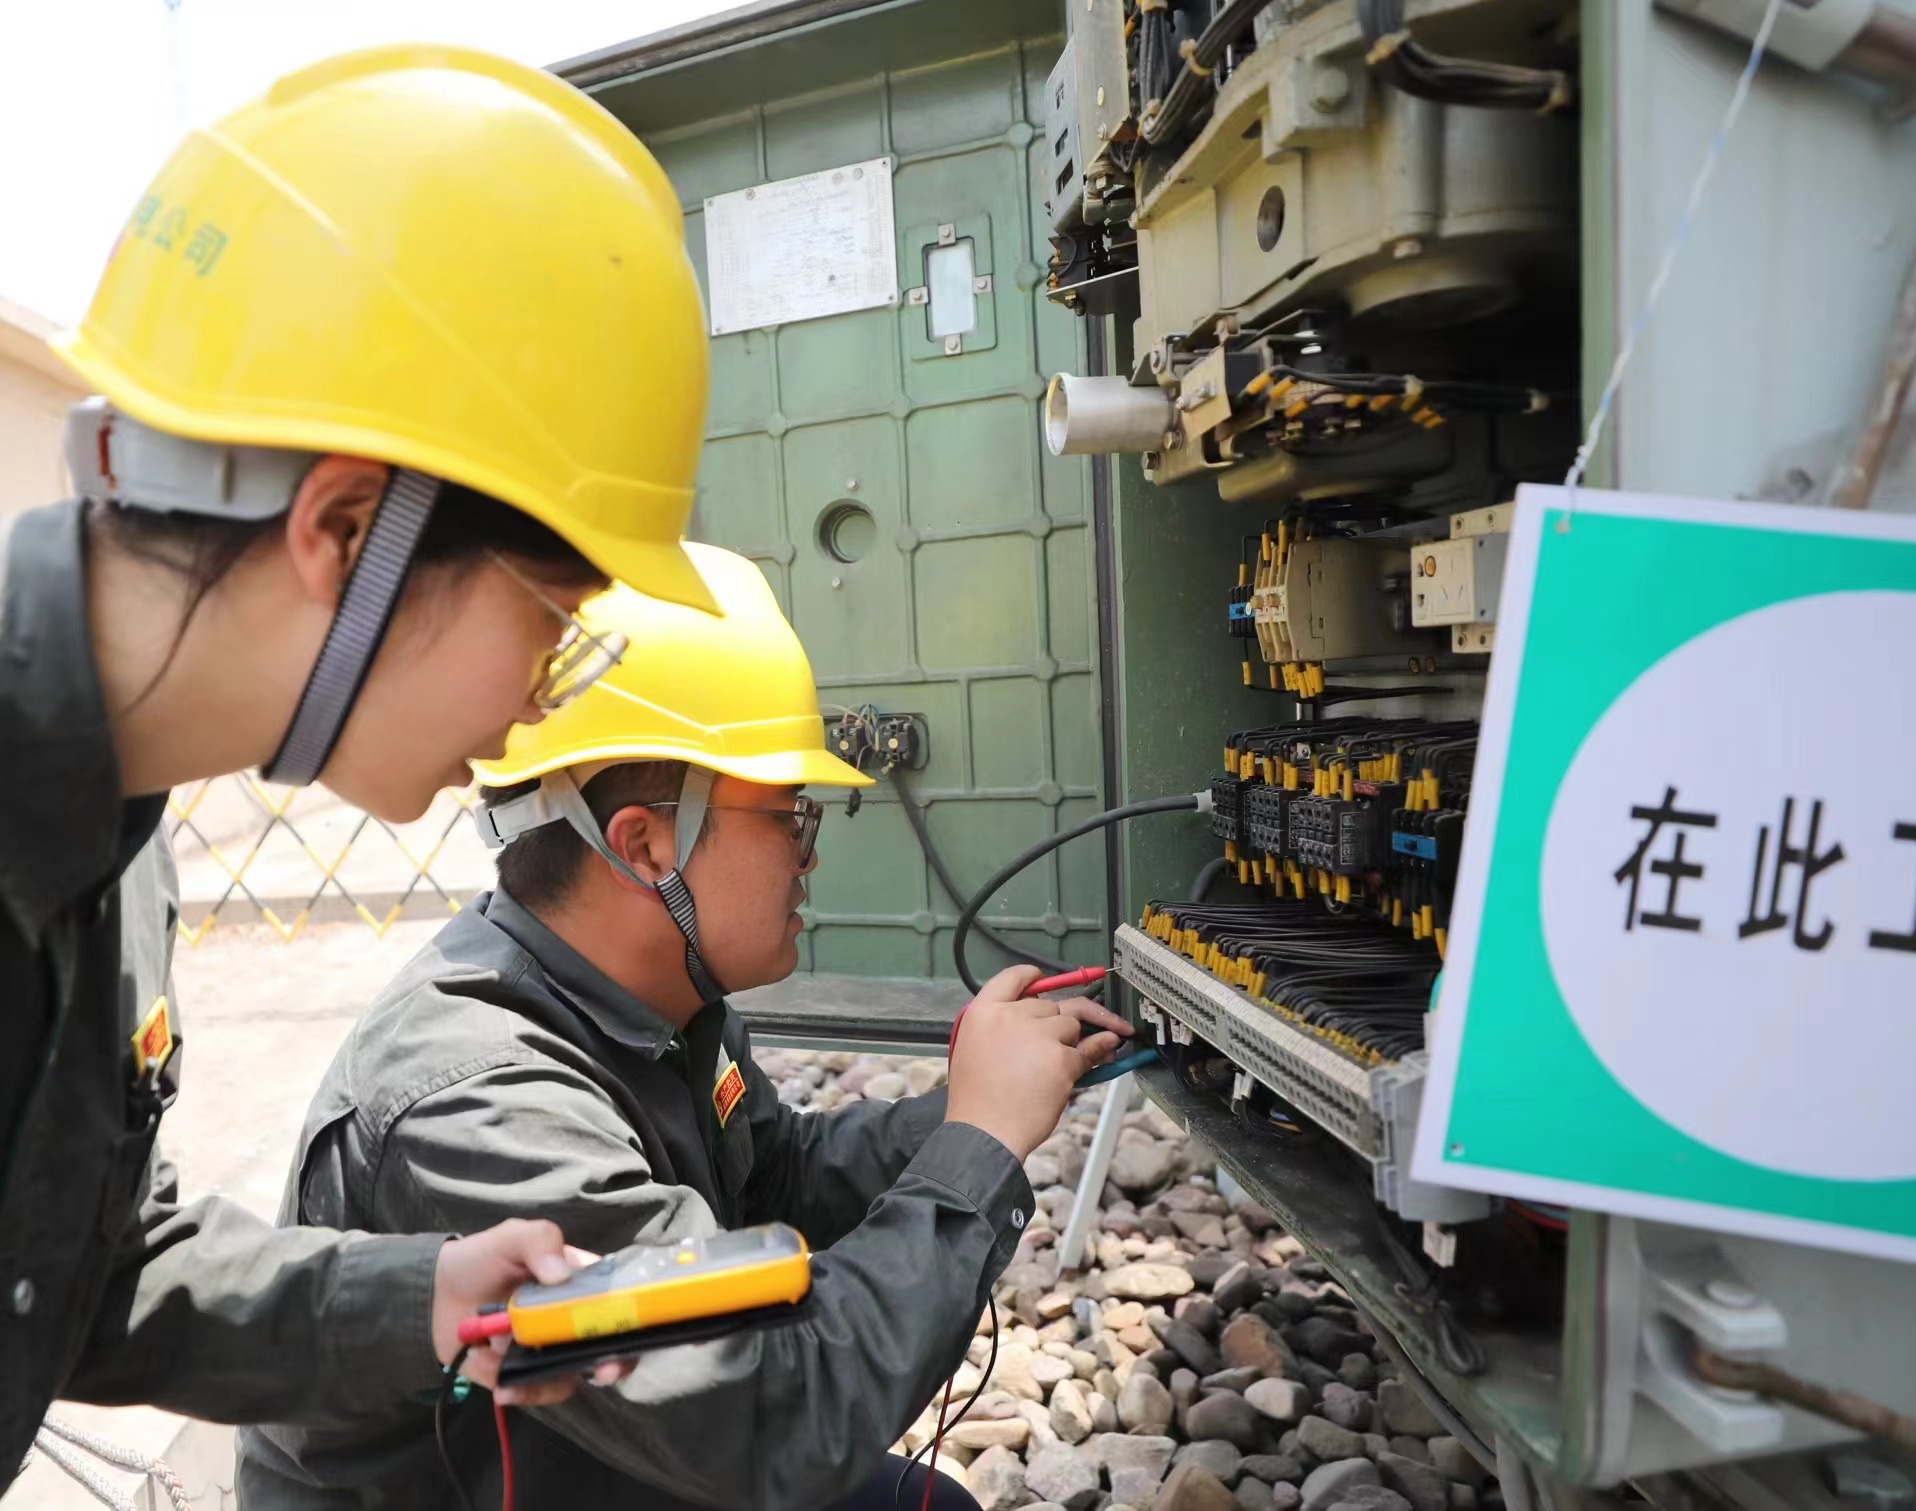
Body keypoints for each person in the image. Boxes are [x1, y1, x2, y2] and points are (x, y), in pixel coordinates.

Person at [1, 45, 718, 1489]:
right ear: (344, 532)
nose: (533, 712)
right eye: (553, 624)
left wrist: (423, 1294)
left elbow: (83, 1274)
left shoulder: (116, 838)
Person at [236, 549, 1132, 1511]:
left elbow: (775, 1177)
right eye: (789, 815)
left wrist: (971, 1102)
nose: (808, 856)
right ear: (646, 843)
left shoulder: (649, 997)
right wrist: (979, 1144)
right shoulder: (484, 1105)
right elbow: (780, 1410)